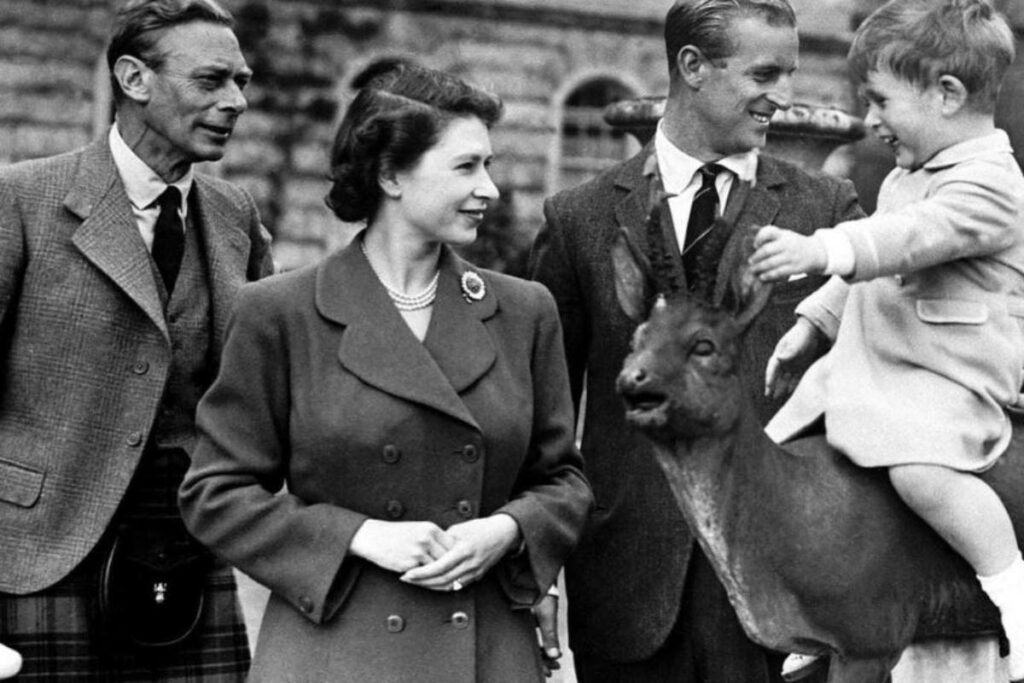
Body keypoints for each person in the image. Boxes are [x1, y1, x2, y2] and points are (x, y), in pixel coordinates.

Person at [177, 63, 593, 683]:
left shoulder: (523, 311)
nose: (491, 189)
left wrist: (507, 530)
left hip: (485, 647)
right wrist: (359, 535)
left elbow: (563, 481)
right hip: (336, 648)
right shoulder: (280, 311)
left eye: (490, 166)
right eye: (466, 167)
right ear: (391, 174)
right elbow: (215, 494)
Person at [528, 1, 864, 681]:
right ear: (692, 67)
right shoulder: (580, 218)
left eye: (791, 73)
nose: (785, 96)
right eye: (765, 72)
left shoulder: (827, 212)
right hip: (625, 592)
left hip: (788, 606)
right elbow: (542, 413)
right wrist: (535, 569)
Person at [750, 0, 1024, 681]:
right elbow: (868, 274)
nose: (870, 120)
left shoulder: (991, 184)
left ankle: (1011, 587)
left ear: (948, 95)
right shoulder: (908, 175)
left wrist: (822, 247)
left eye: (879, 100)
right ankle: (825, 609)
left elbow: (902, 242)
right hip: (880, 365)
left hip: (947, 374)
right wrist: (812, 324)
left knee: (919, 471)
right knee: (783, 461)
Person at [0, 0, 272, 678]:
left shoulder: (235, 214)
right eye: (212, 80)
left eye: (241, 81)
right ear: (133, 78)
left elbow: (262, 381)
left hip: (187, 546)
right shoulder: (22, 200)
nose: (235, 101)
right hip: (40, 550)